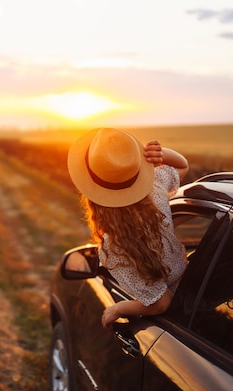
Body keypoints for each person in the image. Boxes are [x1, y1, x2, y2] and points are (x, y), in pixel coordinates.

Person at [67, 127, 189, 328]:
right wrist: (160, 154)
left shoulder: (114, 247)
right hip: (193, 289)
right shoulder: (156, 190)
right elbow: (183, 166)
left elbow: (161, 304)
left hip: (178, 319)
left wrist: (118, 309)